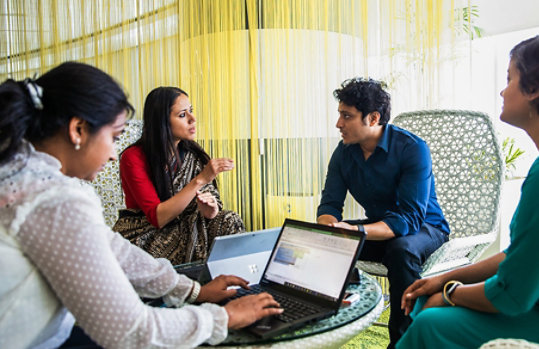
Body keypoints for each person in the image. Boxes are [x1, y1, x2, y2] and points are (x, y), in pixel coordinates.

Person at [0, 62, 282, 349]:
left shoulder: (28, 179)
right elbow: (132, 331)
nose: (112, 155)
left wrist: (193, 290)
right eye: (113, 137)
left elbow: (113, 249)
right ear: (78, 129)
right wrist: (223, 318)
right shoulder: (53, 199)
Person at [396, 36, 539, 349]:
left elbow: (512, 295)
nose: (503, 91)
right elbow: (520, 257)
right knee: (424, 298)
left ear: (533, 89)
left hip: (527, 308)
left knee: (432, 320)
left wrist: (449, 292)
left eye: (509, 78)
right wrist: (441, 280)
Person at [317, 78, 450, 348]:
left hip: (425, 228)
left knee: (401, 250)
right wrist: (329, 229)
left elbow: (409, 218)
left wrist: (356, 231)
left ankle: (403, 341)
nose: (338, 124)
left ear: (373, 118)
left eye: (347, 116)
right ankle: (321, 323)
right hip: (381, 229)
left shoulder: (413, 148)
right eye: (339, 115)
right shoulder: (343, 153)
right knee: (321, 241)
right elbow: (330, 205)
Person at [113, 86, 245, 265]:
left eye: (191, 111)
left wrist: (210, 210)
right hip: (147, 234)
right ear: (162, 122)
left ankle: (236, 285)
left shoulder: (191, 153)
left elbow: (210, 200)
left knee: (229, 220)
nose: (193, 119)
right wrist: (200, 180)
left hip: (187, 225)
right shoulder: (133, 157)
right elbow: (157, 218)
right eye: (183, 115)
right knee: (190, 239)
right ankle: (201, 287)